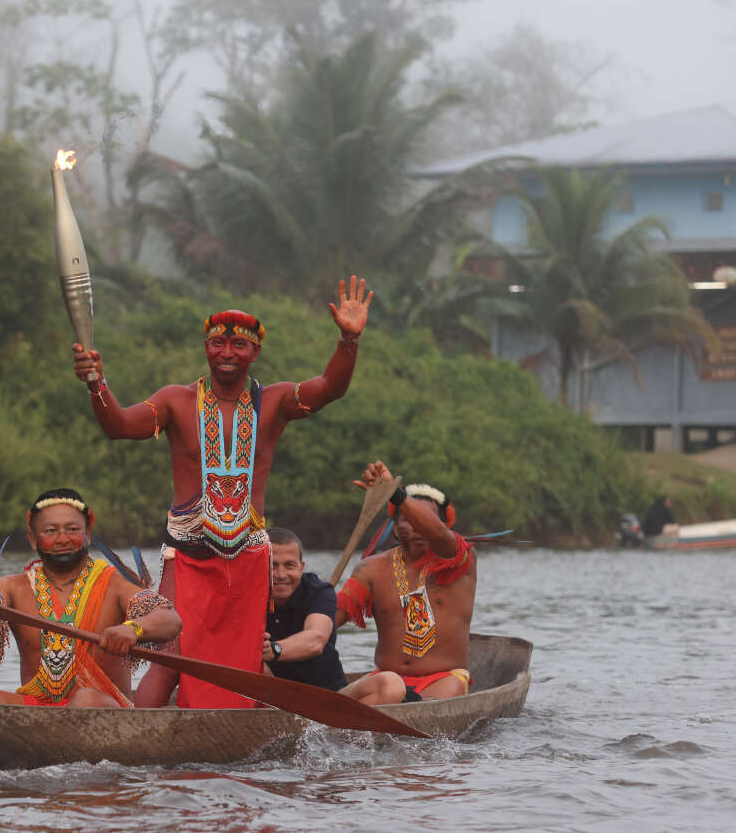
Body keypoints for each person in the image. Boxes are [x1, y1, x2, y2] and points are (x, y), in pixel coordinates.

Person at [71, 277, 374, 708]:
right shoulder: (175, 401)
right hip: (187, 551)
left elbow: (330, 387)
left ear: (255, 352)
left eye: (239, 346)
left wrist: (348, 339)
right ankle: (134, 737)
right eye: (217, 344)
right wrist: (96, 384)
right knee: (169, 651)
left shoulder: (275, 401)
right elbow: (119, 426)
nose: (227, 353)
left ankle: (227, 738)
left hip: (249, 555)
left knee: (243, 656)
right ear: (206, 348)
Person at [0, 488, 181, 707]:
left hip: (102, 707)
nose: (62, 539)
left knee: (85, 700)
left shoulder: (115, 584)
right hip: (38, 707)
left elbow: (169, 619)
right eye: (50, 531)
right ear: (33, 540)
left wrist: (133, 629)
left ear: (88, 533)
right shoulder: (13, 587)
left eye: (72, 529)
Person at [334, 462, 476, 705]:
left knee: (449, 688)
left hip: (443, 680)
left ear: (443, 525)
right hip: (386, 679)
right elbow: (332, 617)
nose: (416, 527)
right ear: (396, 526)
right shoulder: (371, 568)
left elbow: (441, 537)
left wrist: (396, 494)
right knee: (387, 687)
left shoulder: (459, 558)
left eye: (426, 520)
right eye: (407, 520)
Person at [259, 528, 348, 691]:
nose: (280, 574)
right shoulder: (248, 595)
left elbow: (315, 641)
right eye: (272, 565)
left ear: (302, 567)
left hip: (332, 696)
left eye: (289, 565)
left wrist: (273, 650)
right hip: (276, 698)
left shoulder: (320, 592)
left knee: (389, 683)